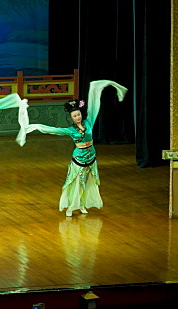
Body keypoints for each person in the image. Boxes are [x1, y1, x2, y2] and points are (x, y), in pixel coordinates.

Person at [24, 80, 127, 216]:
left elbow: (95, 106)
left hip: (91, 157)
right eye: (74, 116)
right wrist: (37, 126)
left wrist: (96, 90)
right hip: (78, 158)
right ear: (71, 118)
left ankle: (83, 205)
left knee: (89, 182)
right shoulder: (70, 130)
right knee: (75, 182)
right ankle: (72, 206)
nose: (77, 117)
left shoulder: (88, 122)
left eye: (78, 114)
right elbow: (54, 130)